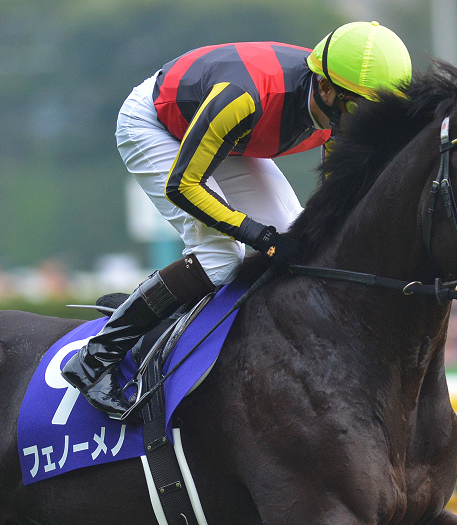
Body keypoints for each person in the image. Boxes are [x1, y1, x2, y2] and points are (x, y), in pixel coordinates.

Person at [62, 21, 413, 417]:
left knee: (298, 239)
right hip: (159, 125)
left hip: (231, 136)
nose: (367, 123)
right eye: (360, 109)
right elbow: (184, 185)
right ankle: (96, 358)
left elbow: (337, 198)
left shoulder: (339, 103)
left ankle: (197, 322)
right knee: (220, 255)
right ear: (326, 88)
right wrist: (260, 237)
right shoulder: (245, 97)